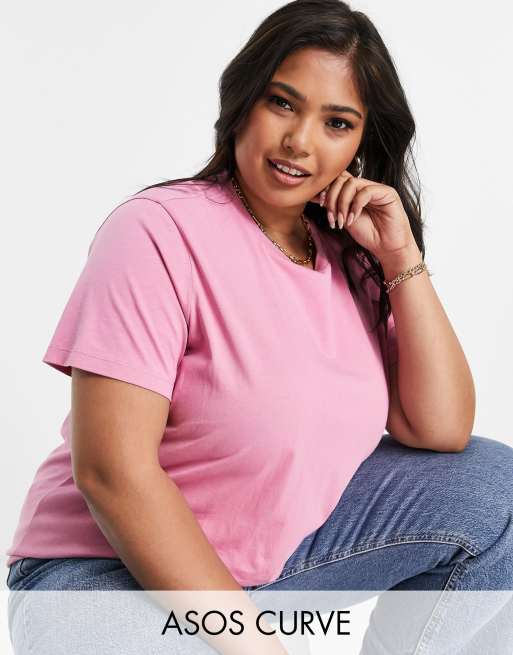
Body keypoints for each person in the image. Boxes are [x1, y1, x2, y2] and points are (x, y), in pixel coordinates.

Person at [6, 0, 513, 653]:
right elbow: (111, 473)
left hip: (259, 568)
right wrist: (258, 648)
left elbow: (439, 430)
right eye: (282, 103)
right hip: (101, 575)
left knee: (493, 489)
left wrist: (400, 257)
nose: (300, 140)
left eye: (336, 122)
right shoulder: (156, 232)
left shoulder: (346, 256)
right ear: (243, 100)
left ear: (360, 144)